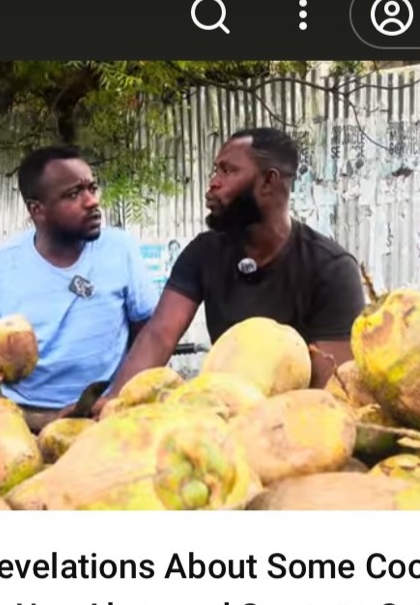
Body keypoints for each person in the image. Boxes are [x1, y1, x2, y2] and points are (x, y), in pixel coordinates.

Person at [95, 127, 366, 413]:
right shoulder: (204, 252)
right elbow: (159, 334)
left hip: (294, 429)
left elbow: (331, 390)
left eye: (227, 171)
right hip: (222, 415)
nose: (213, 183)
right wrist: (114, 404)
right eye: (216, 171)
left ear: (268, 181)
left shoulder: (330, 268)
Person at [0, 145, 159, 412]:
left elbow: (150, 332)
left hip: (108, 410)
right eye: (73, 194)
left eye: (92, 188)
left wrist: (120, 398)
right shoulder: (0, 266)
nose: (92, 201)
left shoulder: (119, 249)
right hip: (27, 418)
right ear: (37, 210)